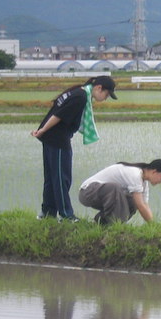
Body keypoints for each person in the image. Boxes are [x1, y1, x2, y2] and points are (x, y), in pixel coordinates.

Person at [31, 75, 118, 222]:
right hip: (57, 139)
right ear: (98, 88)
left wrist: (43, 131)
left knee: (52, 179)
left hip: (51, 138)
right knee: (61, 179)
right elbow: (58, 115)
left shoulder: (78, 91)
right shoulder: (81, 96)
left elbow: (56, 111)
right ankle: (66, 215)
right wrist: (43, 130)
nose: (106, 98)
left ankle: (47, 213)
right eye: (106, 94)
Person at [78, 159, 161, 224]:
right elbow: (141, 205)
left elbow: (144, 205)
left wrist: (153, 224)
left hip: (103, 195)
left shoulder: (143, 184)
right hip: (87, 192)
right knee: (115, 188)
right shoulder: (135, 174)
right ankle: (115, 225)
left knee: (132, 201)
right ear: (154, 172)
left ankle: (103, 222)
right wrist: (152, 225)